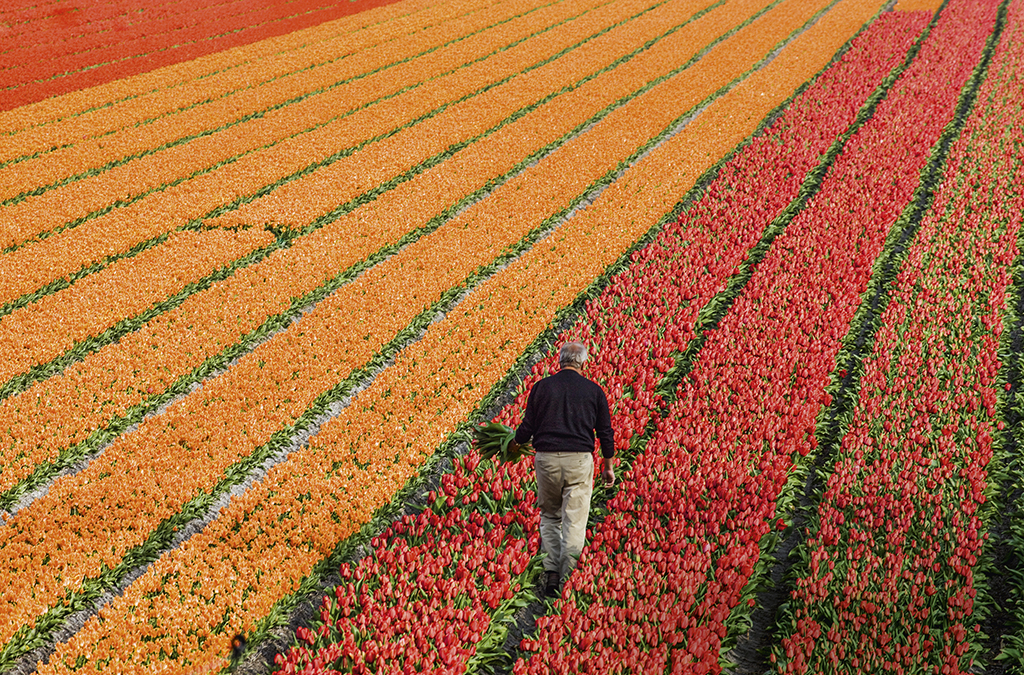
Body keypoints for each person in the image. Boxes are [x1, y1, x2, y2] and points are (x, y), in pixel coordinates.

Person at [512, 341, 615, 598]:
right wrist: (608, 466)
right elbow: (605, 432)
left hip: (546, 460)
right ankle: (567, 577)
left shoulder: (542, 388)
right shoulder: (594, 391)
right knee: (574, 521)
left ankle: (551, 572)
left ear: (559, 361)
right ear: (582, 363)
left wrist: (513, 444)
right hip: (579, 461)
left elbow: (528, 427)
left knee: (549, 516)